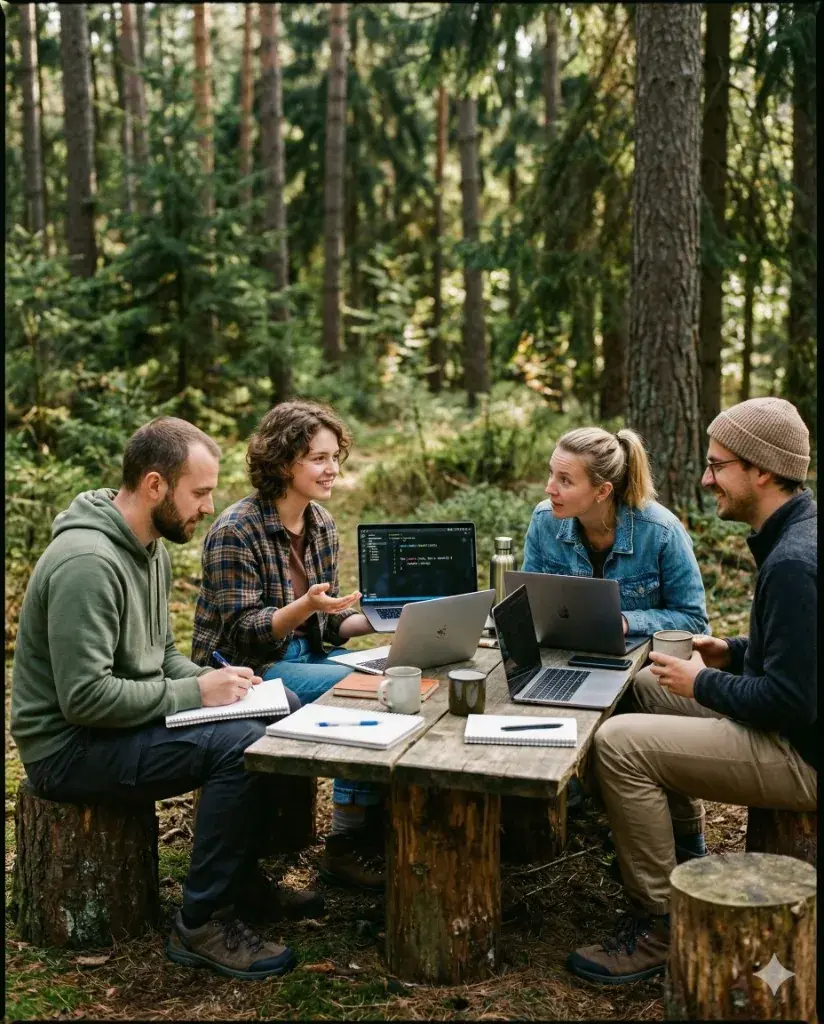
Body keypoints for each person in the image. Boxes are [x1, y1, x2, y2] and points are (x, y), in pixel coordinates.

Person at [10, 417, 321, 983]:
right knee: (240, 746)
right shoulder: (88, 564)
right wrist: (193, 690)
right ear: (155, 485)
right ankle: (203, 922)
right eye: (199, 493)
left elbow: (163, 652)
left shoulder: (149, 546)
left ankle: (241, 880)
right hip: (69, 749)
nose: (208, 506)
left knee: (281, 708)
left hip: (116, 725)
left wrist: (226, 682)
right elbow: (84, 699)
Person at [567, 398, 817, 985]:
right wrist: (732, 649)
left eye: (717, 465)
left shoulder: (794, 562)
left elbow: (789, 702)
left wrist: (704, 681)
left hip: (804, 754)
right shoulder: (795, 534)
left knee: (620, 744)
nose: (706, 480)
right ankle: (679, 844)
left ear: (761, 470)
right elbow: (799, 657)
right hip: (796, 723)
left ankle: (661, 923)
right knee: (649, 683)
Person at [192, 401, 385, 889]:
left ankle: (369, 828)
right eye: (318, 458)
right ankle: (345, 843)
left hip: (306, 655)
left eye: (334, 457)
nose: (332, 469)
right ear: (282, 463)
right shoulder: (235, 530)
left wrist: (388, 625)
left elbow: (325, 626)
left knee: (398, 674)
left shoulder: (320, 523)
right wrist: (305, 607)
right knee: (364, 691)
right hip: (247, 670)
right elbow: (244, 634)